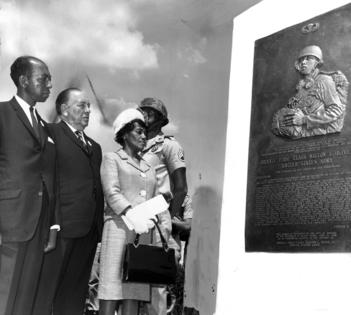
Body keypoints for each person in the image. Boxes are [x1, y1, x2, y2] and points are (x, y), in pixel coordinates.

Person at [33, 88, 104, 315]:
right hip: (60, 230)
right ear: (64, 110)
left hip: (89, 232)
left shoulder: (95, 147)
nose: (88, 110)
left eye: (88, 106)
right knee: (46, 291)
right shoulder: (49, 133)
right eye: (81, 105)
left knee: (75, 295)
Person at [98, 108, 171, 315]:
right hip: (118, 229)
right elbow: (112, 193)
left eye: (144, 132)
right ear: (124, 134)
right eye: (138, 132)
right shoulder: (112, 158)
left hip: (142, 235)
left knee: (134, 292)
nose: (143, 136)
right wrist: (131, 214)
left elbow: (154, 199)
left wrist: (155, 216)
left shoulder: (148, 167)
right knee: (110, 290)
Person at [0, 56, 58, 315]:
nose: (49, 84)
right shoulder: (1, 114)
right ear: (23, 81)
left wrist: (53, 225)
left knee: (25, 300)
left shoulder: (44, 126)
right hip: (8, 223)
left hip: (38, 226)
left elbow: (50, 177)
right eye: (43, 78)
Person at [139, 97, 190, 315]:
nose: (145, 114)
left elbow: (180, 187)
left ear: (162, 119)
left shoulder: (169, 145)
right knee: (132, 279)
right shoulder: (134, 144)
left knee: (155, 283)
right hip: (135, 218)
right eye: (142, 110)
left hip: (157, 218)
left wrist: (167, 215)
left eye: (151, 111)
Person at [272, 45, 349, 139]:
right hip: (300, 137)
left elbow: (336, 111)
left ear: (317, 63)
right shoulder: (302, 86)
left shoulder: (324, 80)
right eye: (301, 60)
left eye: (308, 58)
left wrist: (304, 120)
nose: (303, 62)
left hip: (319, 133)